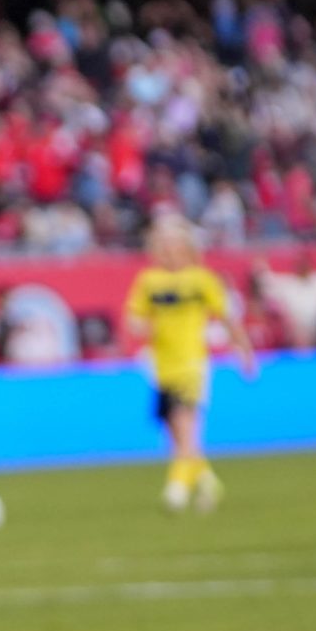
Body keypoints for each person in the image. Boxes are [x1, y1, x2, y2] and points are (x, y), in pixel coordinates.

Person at [124, 216, 257, 513]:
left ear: (186, 247)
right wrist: (139, 326)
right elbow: (134, 317)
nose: (168, 250)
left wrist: (245, 351)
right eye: (163, 245)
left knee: (186, 427)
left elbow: (227, 317)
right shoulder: (149, 281)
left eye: (173, 244)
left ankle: (177, 489)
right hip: (162, 368)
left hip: (192, 364)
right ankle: (207, 482)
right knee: (175, 434)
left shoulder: (201, 280)